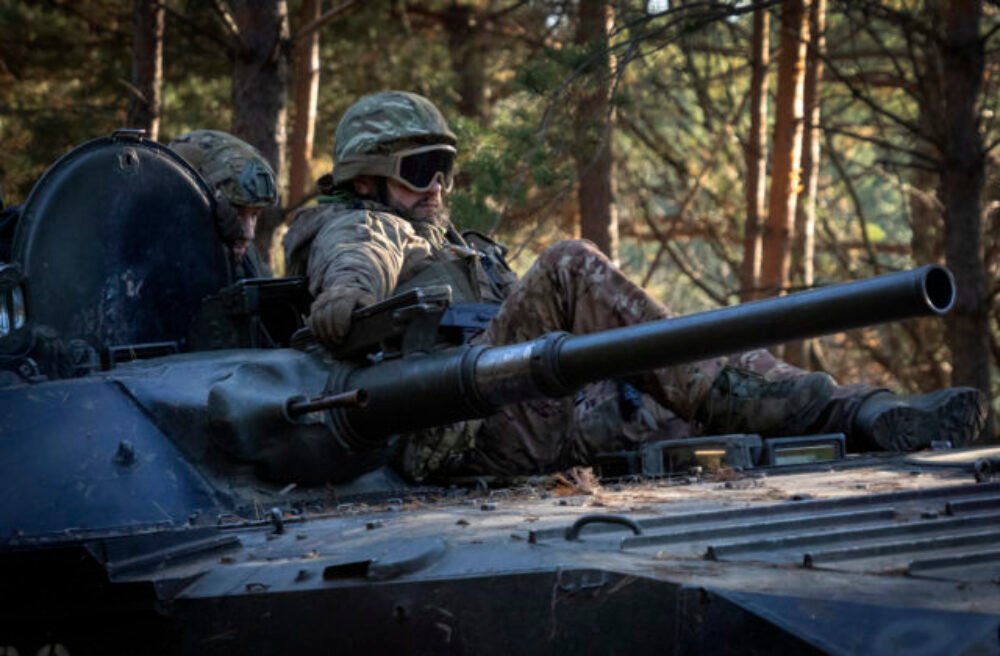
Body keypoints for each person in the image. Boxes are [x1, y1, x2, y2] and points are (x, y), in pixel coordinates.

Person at [284, 90, 988, 482]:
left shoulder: (453, 243)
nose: (438, 186)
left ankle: (864, 416)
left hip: (523, 413)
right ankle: (830, 409)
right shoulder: (357, 226)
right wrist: (343, 301)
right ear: (368, 177)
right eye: (419, 168)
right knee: (567, 265)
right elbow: (352, 267)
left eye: (447, 168)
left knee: (682, 379)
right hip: (450, 433)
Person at [168, 130, 277, 279]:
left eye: (254, 215)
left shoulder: (247, 259)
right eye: (237, 213)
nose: (249, 233)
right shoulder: (151, 257)